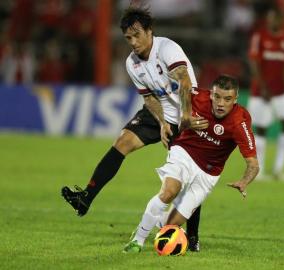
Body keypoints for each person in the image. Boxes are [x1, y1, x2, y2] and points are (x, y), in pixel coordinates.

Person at [60, 7, 209, 252]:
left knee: (188, 176)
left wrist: (184, 118)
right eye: (128, 38)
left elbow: (184, 81)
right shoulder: (132, 63)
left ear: (150, 31)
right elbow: (149, 97)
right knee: (122, 142)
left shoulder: (167, 49)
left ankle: (192, 238)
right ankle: (85, 198)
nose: (133, 42)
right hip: (159, 113)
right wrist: (162, 123)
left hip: (188, 112)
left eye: (137, 35)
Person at [123, 75, 259, 253]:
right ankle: (137, 240)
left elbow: (253, 164)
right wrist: (172, 121)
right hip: (184, 153)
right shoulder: (197, 97)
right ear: (211, 94)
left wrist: (244, 181)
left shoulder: (239, 121)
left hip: (208, 174)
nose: (220, 103)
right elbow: (171, 94)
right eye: (217, 97)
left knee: (169, 225)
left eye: (227, 99)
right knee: (169, 191)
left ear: (235, 99)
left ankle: (158, 222)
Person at [247, 7, 284, 181]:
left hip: (281, 90)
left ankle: (278, 169)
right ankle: (258, 171)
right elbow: (254, 63)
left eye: (277, 18)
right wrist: (263, 87)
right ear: (268, 19)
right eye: (272, 18)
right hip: (262, 91)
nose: (274, 21)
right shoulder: (259, 37)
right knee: (261, 128)